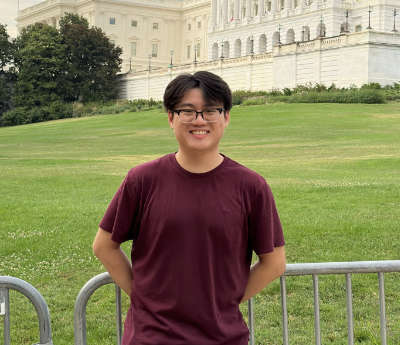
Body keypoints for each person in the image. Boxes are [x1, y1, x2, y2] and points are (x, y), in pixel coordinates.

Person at [93, 71, 286, 345]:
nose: (199, 120)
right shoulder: (142, 180)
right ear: (171, 117)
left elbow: (274, 262)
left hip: (222, 338)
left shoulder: (251, 186)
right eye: (187, 111)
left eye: (210, 111)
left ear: (226, 116)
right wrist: (143, 296)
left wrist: (223, 303)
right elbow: (104, 246)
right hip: (151, 338)